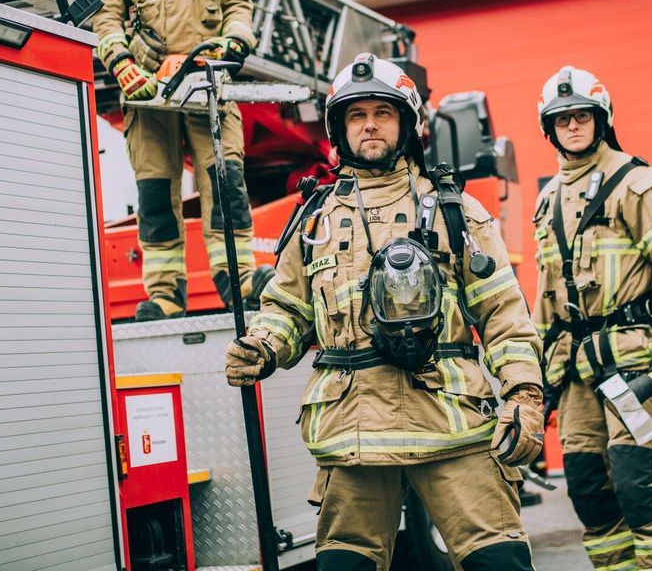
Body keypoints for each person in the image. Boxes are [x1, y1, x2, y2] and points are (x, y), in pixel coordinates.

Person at [225, 53, 545, 570]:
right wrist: (263, 344)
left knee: (499, 563)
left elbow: (506, 315)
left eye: (382, 112)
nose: (369, 124)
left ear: (408, 123)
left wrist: (525, 397)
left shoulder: (453, 211)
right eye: (356, 115)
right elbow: (286, 307)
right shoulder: (315, 220)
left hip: (452, 426)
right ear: (340, 129)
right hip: (351, 432)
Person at [532, 65, 652, 570]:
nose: (573, 127)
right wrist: (539, 377)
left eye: (582, 116)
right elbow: (544, 294)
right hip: (575, 375)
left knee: (638, 485)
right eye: (562, 120)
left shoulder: (639, 184)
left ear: (601, 119)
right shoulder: (545, 203)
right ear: (550, 129)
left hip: (633, 369)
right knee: (589, 490)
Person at [93, 0, 272, 320]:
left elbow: (239, 8)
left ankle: (239, 280)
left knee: (225, 184)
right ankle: (166, 294)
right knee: (155, 194)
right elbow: (105, 19)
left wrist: (234, 44)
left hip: (207, 87)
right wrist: (123, 65)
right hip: (147, 94)